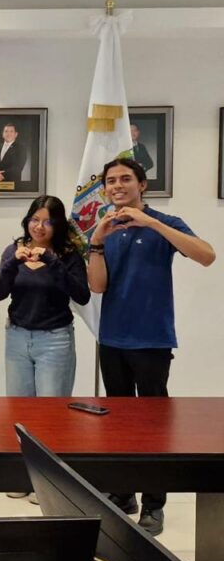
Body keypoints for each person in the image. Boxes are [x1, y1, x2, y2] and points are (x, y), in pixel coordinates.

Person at [88, 157, 215, 535]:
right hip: (112, 338)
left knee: (154, 426)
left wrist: (152, 223)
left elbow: (207, 255)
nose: (117, 185)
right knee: (118, 423)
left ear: (142, 185)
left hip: (152, 339)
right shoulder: (105, 227)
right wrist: (96, 243)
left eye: (125, 179)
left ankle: (154, 504)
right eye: (111, 181)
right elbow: (97, 286)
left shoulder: (163, 222)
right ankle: (123, 493)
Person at [0, 196, 90, 397]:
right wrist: (12, 264)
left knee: (51, 408)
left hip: (54, 340)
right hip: (17, 338)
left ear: (58, 225)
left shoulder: (69, 255)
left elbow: (82, 296)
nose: (39, 227)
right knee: (19, 407)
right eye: (35, 220)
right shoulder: (13, 251)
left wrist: (51, 261)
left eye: (48, 222)